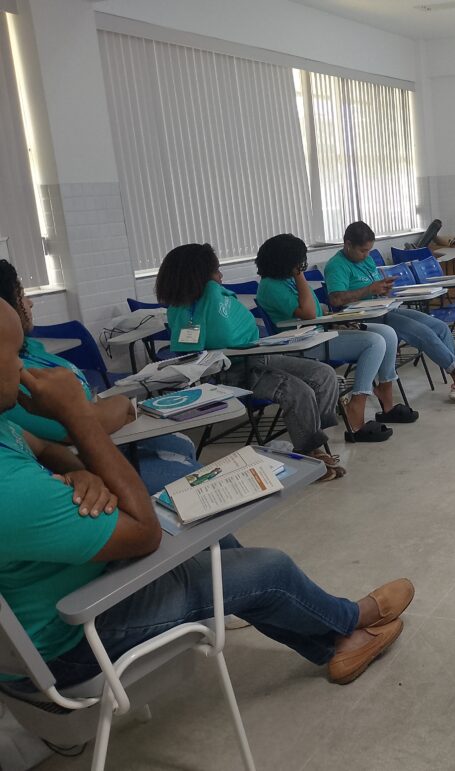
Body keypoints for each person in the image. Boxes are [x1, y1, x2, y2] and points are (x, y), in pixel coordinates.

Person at [0, 298, 414, 687]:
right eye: (14, 354)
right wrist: (78, 416)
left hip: (70, 586)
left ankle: (338, 640)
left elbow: (44, 447)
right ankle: (350, 621)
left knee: (216, 541)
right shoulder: (8, 487)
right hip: (72, 639)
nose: (23, 367)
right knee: (267, 570)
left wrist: (78, 471)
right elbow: (145, 535)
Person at [0, 260, 200, 496]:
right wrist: (121, 404)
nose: (30, 303)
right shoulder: (13, 380)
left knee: (182, 443)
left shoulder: (30, 348)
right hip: (87, 455)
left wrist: (101, 411)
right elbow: (87, 423)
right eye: (22, 295)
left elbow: (86, 412)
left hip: (103, 440)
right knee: (192, 481)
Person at [156, 243, 344, 481]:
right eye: (216, 272)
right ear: (199, 277)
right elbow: (210, 347)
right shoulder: (186, 309)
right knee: (298, 392)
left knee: (324, 374)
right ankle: (308, 452)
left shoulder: (216, 297)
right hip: (231, 371)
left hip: (258, 356)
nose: (221, 276)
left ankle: (313, 438)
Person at [256, 234, 419, 443]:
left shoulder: (287, 280)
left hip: (318, 332)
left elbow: (316, 311)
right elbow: (308, 313)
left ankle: (386, 402)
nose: (302, 264)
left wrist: (337, 321)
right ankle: (356, 409)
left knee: (387, 333)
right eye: (298, 261)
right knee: (374, 342)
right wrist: (300, 276)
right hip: (301, 344)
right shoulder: (270, 286)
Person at [324, 221, 455, 404]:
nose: (367, 255)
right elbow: (336, 299)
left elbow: (374, 287)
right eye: (363, 251)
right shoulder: (336, 265)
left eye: (369, 250)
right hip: (364, 318)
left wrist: (383, 289)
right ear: (348, 244)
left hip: (384, 309)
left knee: (440, 328)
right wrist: (370, 289)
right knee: (424, 334)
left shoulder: (366, 260)